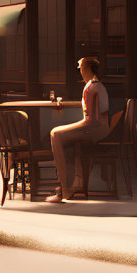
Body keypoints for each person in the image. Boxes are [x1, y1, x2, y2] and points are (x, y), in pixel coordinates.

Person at [47, 57, 111, 202]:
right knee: (64, 136)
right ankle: (75, 184)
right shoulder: (98, 85)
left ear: (87, 69)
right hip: (102, 128)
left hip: (94, 129)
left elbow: (91, 120)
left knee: (55, 134)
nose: (80, 71)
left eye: (81, 68)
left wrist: (71, 127)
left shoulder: (90, 87)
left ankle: (64, 189)